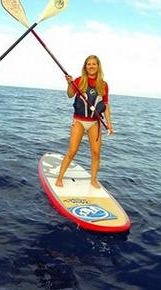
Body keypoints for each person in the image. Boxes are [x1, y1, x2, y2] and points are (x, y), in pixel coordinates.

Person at [55, 55, 113, 189]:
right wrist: (69, 83)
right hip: (79, 121)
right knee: (73, 150)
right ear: (85, 67)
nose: (91, 66)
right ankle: (59, 177)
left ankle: (93, 180)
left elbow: (105, 105)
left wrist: (109, 124)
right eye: (88, 64)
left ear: (98, 66)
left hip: (95, 123)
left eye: (94, 64)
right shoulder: (79, 80)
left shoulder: (103, 84)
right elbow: (70, 95)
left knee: (96, 152)